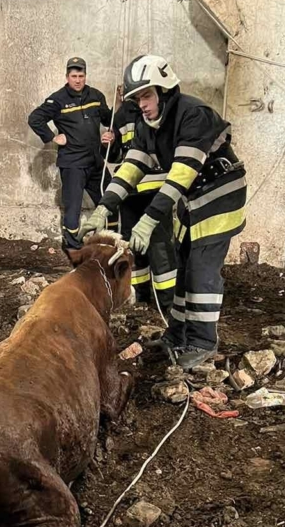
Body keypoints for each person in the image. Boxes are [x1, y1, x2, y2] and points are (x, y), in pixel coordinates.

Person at [79, 55, 247, 368]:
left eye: (146, 96)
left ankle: (202, 342)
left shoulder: (192, 115)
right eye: (137, 98)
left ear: (165, 90)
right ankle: (178, 333)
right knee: (183, 265)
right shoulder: (149, 124)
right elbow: (132, 167)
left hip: (219, 195)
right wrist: (104, 207)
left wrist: (147, 222)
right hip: (194, 198)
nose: (141, 104)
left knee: (201, 269)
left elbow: (181, 174)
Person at [28, 56, 116, 250]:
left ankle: (111, 241)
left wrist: (111, 133)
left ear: (85, 76)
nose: (78, 80)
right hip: (73, 163)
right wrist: (52, 137)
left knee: (111, 198)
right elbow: (35, 118)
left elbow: (109, 120)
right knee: (73, 208)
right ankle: (73, 247)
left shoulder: (96, 96)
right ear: (67, 76)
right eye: (74, 76)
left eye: (81, 76)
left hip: (95, 161)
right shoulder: (57, 100)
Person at [108, 85, 177, 311]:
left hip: (156, 191)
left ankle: (167, 304)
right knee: (133, 247)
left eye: (144, 95)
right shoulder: (121, 115)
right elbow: (116, 154)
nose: (140, 102)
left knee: (159, 246)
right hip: (130, 193)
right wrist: (109, 143)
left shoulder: (163, 112)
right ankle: (141, 299)